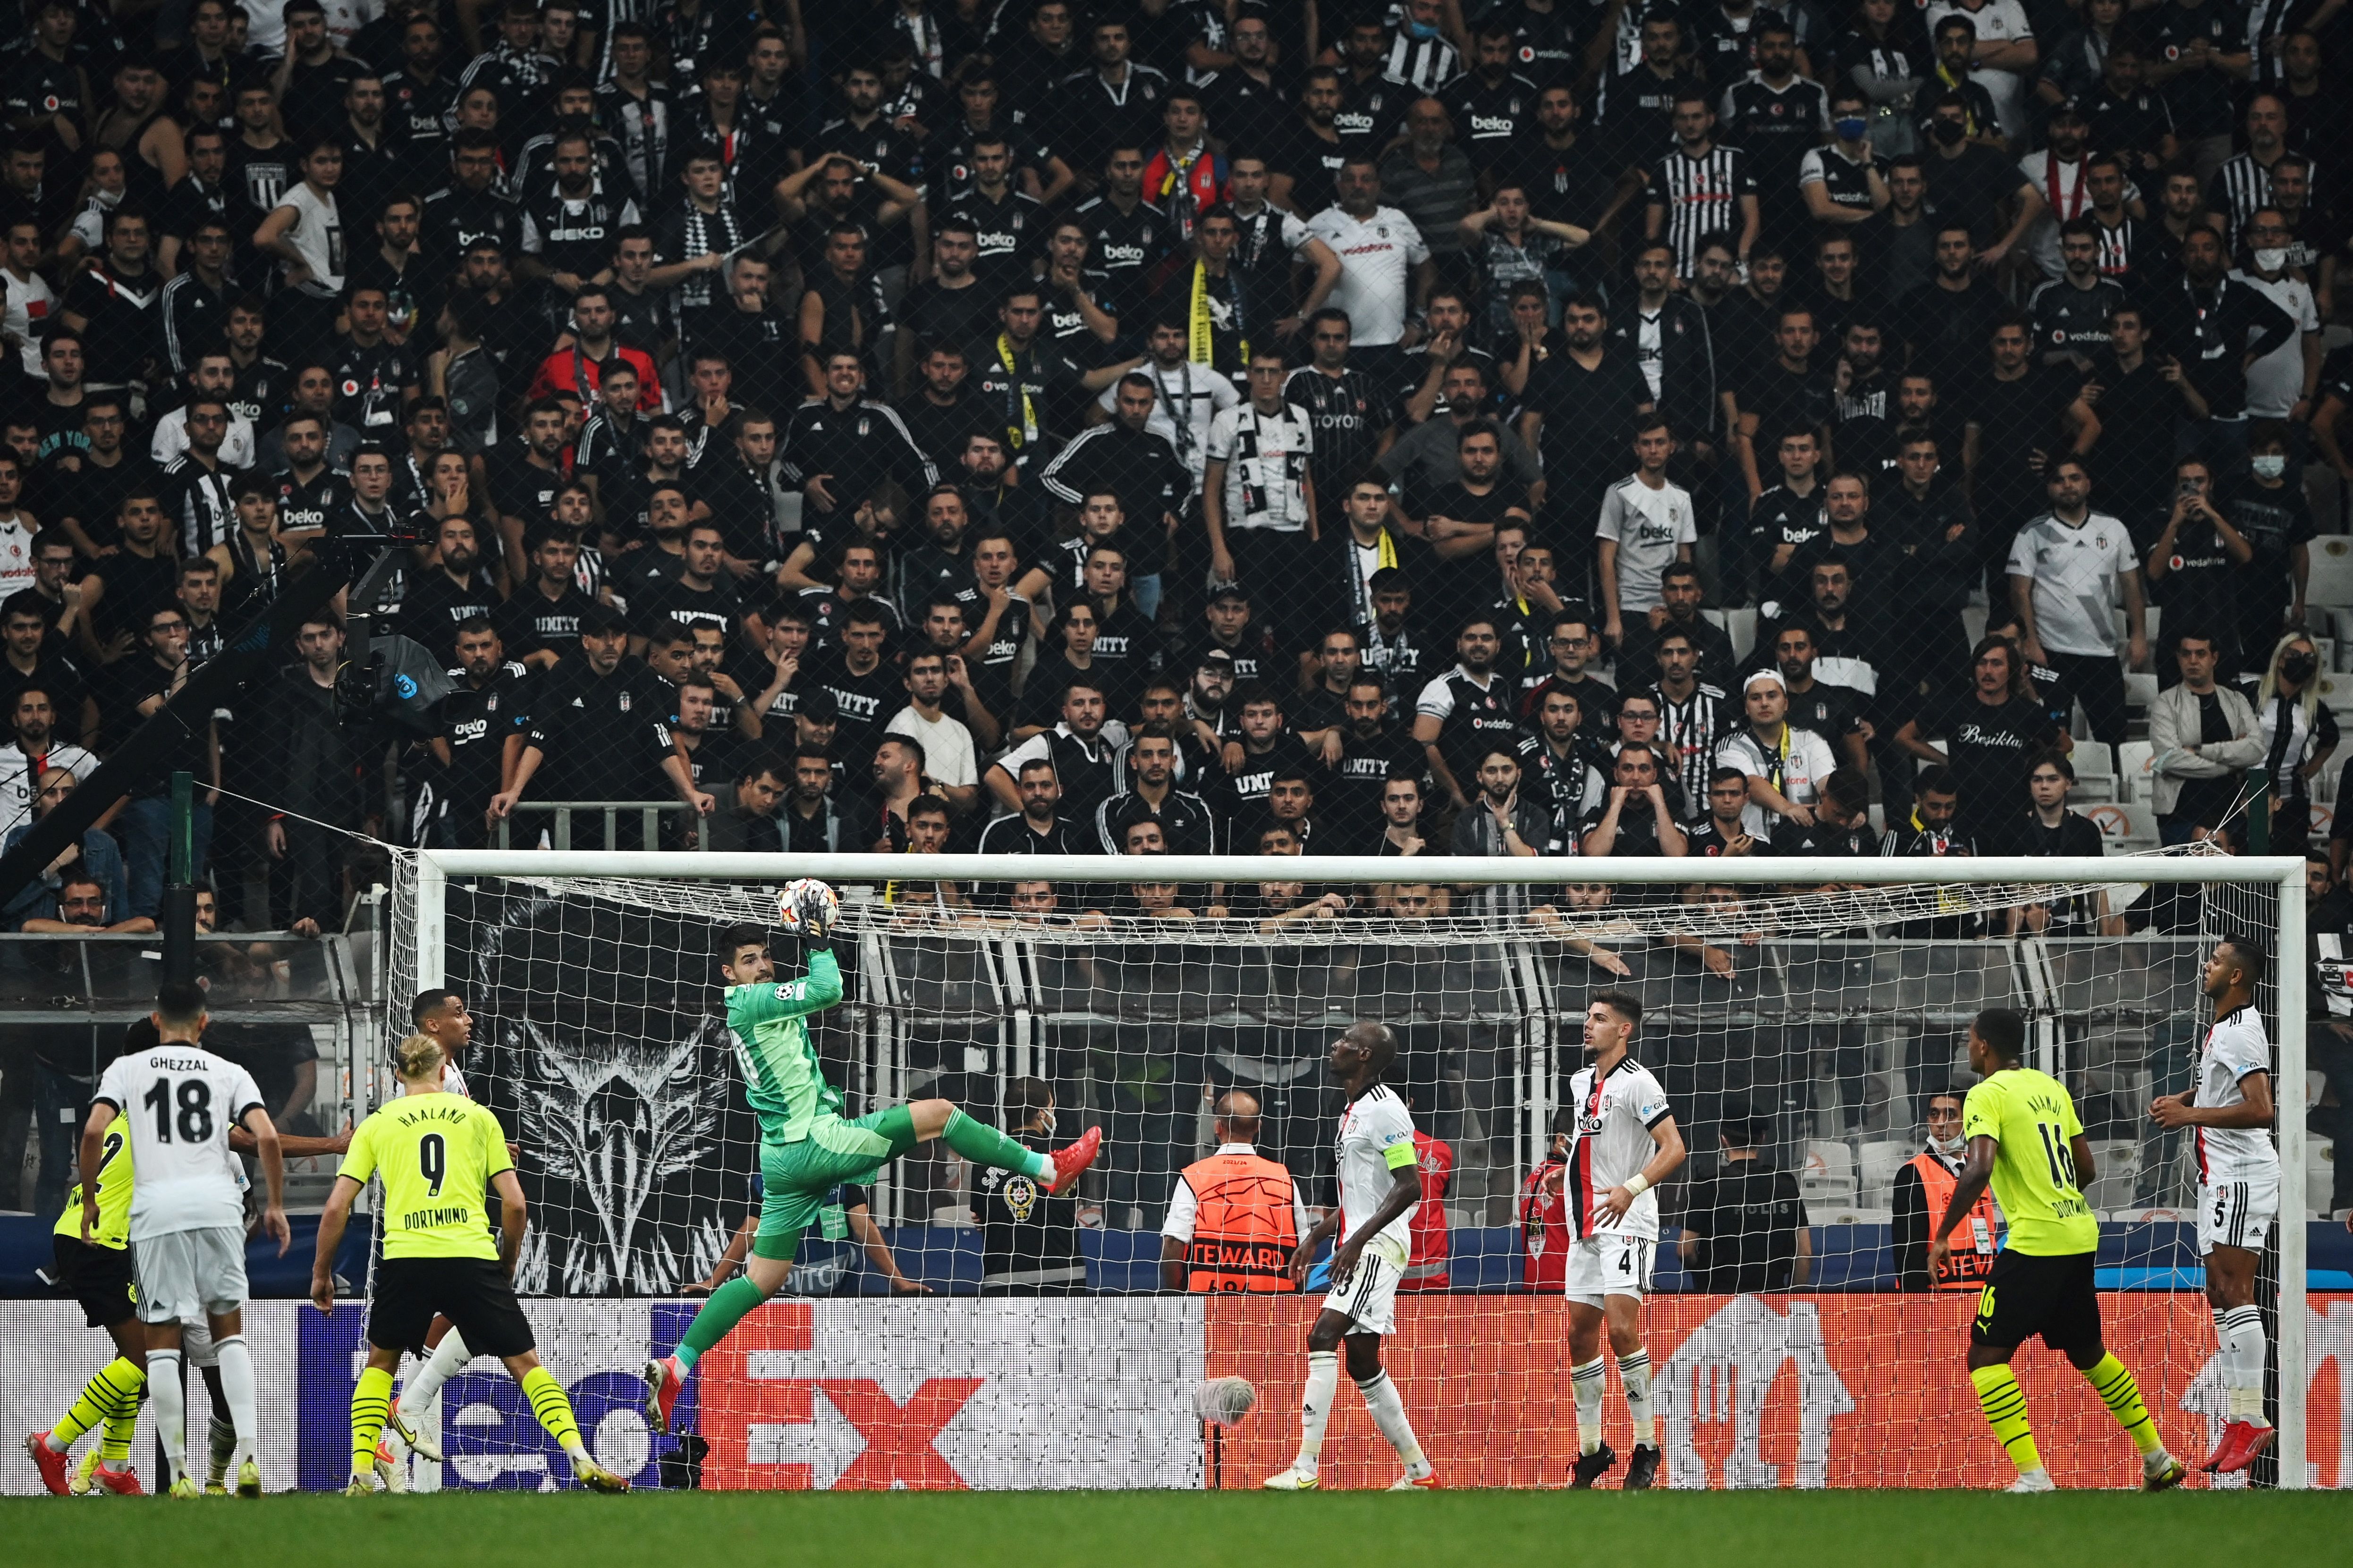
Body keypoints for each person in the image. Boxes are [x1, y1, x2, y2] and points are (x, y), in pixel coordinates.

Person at [641, 885, 1102, 1433]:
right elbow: (830, 986)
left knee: (760, 1280)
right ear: (729, 975)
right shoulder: (749, 1002)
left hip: (782, 1158)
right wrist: (816, 938)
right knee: (940, 1112)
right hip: (815, 1142)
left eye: (765, 955)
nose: (762, 966)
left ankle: (676, 1365)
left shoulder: (760, 1001)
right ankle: (1049, 1169)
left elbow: (810, 997)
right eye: (748, 961)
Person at [311, 1030, 628, 1495]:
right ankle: (580, 1457)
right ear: (444, 1071)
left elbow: (337, 1207)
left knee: (381, 1362)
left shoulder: (379, 1123)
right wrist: (507, 1263)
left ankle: (361, 1471)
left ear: (398, 1074)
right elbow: (516, 1205)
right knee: (524, 1363)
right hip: (469, 1256)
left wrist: (321, 1272)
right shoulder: (479, 1118)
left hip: (407, 1257)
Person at [1930, 1006, 2186, 1492]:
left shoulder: (1986, 1093)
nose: (1968, 1047)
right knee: (2088, 1350)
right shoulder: (2049, 1087)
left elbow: (1979, 1167)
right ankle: (2156, 1457)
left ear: (1983, 1045)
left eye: (1969, 1040)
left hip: (2036, 1241)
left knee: (1984, 1358)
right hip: (2076, 1231)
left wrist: (1943, 1233)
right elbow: (2084, 1167)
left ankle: (2033, 1475)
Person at [76, 981, 285, 1498]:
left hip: (157, 1211)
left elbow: (91, 1132)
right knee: (230, 1336)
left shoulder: (127, 1069)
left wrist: (91, 1200)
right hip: (216, 1205)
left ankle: (181, 1473)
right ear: (204, 1022)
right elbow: (268, 1137)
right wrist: (277, 1204)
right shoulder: (228, 1071)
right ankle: (252, 1458)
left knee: (162, 1343)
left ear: (155, 1019)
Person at [1262, 1021, 1437, 1491]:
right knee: (1362, 1361)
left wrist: (1356, 1241)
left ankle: (1306, 1468)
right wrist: (1318, 1234)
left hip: (1378, 1246)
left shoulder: (1386, 1111)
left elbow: (1408, 1187)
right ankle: (1420, 1474)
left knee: (1323, 1335)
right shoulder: (1353, 1109)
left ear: (1363, 1056)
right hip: (1361, 1240)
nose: (1334, 1046)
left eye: (1344, 1042)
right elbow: (1366, 1192)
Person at [2150, 938, 2279, 1475]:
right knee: (2217, 1291)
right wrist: (2188, 1099)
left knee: (2235, 1288)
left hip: (2242, 1176)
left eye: (2218, 959)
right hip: (2219, 1177)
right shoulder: (2223, 1030)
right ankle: (2238, 1417)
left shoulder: (2243, 1029)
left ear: (2236, 976)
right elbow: (2221, 1089)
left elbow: (2260, 1108)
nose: (2208, 963)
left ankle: (2252, 1417)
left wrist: (2190, 1117)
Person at [1550, 990, 1684, 1489]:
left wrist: (1631, 1188)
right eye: (1587, 1016)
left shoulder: (1639, 1082)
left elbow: (1674, 1148)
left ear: (1624, 1030)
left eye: (1600, 1018)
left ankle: (1647, 1444)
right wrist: (1565, 1167)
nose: (1588, 1024)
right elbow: (1595, 1143)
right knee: (1578, 1336)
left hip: (1626, 1221)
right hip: (1583, 1222)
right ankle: (1591, 1450)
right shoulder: (1580, 1080)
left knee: (1620, 1331)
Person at [1161, 1090, 1312, 1293]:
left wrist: (1175, 1297)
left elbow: (1173, 1243)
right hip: (1273, 1310)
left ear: (1217, 1127)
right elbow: (1305, 1247)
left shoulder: (1194, 1176)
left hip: (1208, 1308)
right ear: (1258, 1127)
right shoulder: (1284, 1178)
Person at [973, 1078, 1090, 1296]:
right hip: (1064, 1279)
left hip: (1002, 1280)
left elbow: (981, 1217)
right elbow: (1074, 1204)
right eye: (1051, 1107)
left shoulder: (985, 1159)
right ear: (1042, 1114)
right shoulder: (1067, 1155)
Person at [1676, 1109, 1808, 1293]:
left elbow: (1685, 1250)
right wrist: (1793, 1299)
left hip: (1719, 1300)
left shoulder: (1709, 1184)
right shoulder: (1785, 1184)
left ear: (1723, 1139)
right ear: (1762, 1138)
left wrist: (1704, 1277)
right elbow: (1805, 1253)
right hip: (1772, 1299)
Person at [1892, 1087, 2002, 1293]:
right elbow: (1907, 1255)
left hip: (1982, 1294)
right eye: (1935, 1114)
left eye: (1950, 1114)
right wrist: (1918, 1309)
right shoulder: (1913, 1173)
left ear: (1967, 1120)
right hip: (1939, 1300)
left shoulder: (1981, 1171)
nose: (1941, 1122)